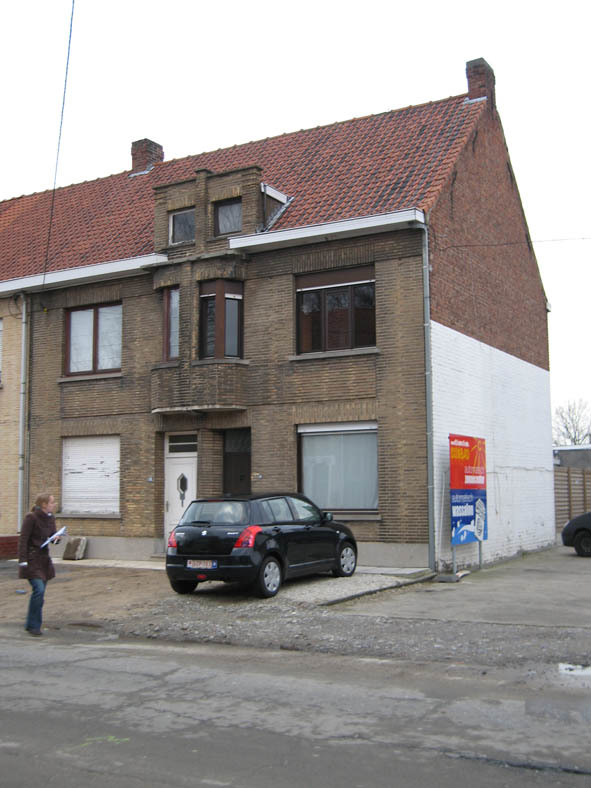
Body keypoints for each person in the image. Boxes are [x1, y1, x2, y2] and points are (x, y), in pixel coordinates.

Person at [18, 493, 60, 636]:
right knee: (39, 590)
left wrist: (56, 538)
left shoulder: (50, 518)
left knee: (40, 594)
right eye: (52, 502)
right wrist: (23, 561)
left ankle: (30, 623)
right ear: (44, 504)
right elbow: (23, 540)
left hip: (44, 560)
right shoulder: (31, 518)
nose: (54, 504)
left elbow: (52, 537)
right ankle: (34, 626)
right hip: (32, 560)